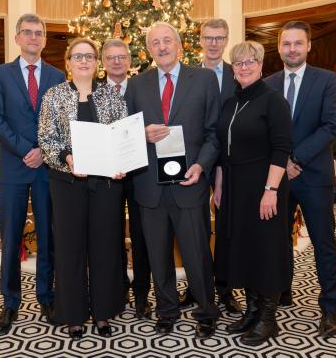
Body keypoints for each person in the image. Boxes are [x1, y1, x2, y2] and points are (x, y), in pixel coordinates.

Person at [125, 22, 221, 339]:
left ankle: (207, 310)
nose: (162, 47)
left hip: (189, 184)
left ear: (179, 45)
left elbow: (213, 134)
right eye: (156, 42)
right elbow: (125, 134)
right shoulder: (137, 85)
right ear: (149, 49)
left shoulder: (204, 80)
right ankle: (166, 309)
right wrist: (141, 134)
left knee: (196, 254)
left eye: (168, 40)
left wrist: (202, 166)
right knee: (158, 255)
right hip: (149, 187)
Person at [38, 37, 127, 340]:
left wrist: (122, 160)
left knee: (104, 248)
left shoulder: (111, 96)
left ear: (97, 62)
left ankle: (103, 312)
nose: (84, 61)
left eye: (89, 56)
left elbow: (122, 135)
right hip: (67, 184)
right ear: (68, 62)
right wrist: (67, 158)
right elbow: (46, 138)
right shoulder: (54, 95)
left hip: (105, 185)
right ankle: (74, 315)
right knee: (70, 249)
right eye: (78, 56)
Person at [0, 13, 65, 335]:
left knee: (48, 237)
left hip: (47, 170)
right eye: (28, 33)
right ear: (17, 38)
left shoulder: (57, 76)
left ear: (45, 39)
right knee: (11, 236)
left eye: (39, 33)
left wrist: (43, 152)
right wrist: (25, 150)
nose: (34, 38)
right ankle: (10, 302)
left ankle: (46, 297)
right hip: (13, 169)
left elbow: (61, 122)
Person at [265, 20, 336, 338]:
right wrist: (283, 162)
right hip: (279, 177)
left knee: (323, 242)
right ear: (279, 47)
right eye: (286, 44)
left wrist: (295, 159)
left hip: (314, 176)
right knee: (277, 239)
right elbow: (264, 129)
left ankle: (329, 308)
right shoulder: (267, 83)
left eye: (298, 43)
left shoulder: (327, 80)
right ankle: (283, 290)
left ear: (309, 46)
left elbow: (330, 126)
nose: (292, 49)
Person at [213, 40, 292, 346]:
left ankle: (268, 320)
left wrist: (271, 189)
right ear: (234, 69)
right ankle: (252, 311)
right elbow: (223, 148)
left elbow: (282, 148)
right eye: (239, 63)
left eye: (250, 62)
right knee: (243, 248)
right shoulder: (232, 102)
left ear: (260, 65)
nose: (244, 67)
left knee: (266, 249)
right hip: (234, 187)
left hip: (263, 184)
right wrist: (219, 185)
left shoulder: (273, 100)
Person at [178, 18, 241, 314]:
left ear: (226, 40)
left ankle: (225, 289)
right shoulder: (186, 75)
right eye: (208, 37)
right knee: (196, 229)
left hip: (230, 164)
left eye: (220, 37)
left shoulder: (237, 74)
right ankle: (195, 286)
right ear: (200, 40)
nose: (214, 43)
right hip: (194, 163)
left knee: (227, 229)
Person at [100, 38, 152, 320]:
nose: (117, 62)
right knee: (112, 234)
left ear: (130, 61)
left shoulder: (143, 89)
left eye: (122, 57)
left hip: (140, 174)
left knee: (142, 235)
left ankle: (143, 293)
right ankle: (118, 289)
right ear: (103, 62)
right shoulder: (94, 93)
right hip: (107, 176)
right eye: (111, 57)